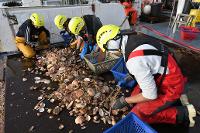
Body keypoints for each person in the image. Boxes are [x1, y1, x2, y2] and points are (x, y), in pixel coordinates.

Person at [96, 24, 197, 127]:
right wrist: (130, 76)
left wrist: (124, 101)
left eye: (106, 48)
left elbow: (150, 95)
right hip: (165, 72)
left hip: (172, 85)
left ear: (112, 43)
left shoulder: (134, 61)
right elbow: (147, 61)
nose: (108, 52)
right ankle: (177, 99)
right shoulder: (131, 38)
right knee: (134, 96)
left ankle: (184, 114)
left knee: (139, 114)